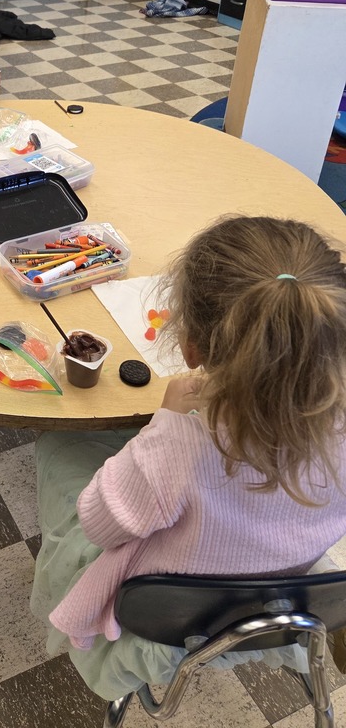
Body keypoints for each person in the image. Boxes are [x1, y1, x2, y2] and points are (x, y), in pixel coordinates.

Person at [31, 215, 346, 701]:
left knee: (58, 444)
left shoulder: (180, 448)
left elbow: (99, 523)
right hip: (285, 595)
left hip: (167, 615)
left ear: (191, 348)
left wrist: (164, 426)